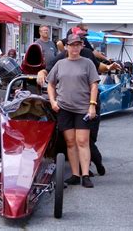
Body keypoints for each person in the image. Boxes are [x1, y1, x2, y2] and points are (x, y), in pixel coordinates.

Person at [37, 28, 118, 177]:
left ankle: (94, 165)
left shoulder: (87, 55)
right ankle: (78, 172)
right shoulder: (62, 58)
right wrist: (42, 72)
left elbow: (97, 68)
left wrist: (108, 67)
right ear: (67, 44)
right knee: (71, 140)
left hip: (87, 105)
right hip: (66, 106)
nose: (78, 44)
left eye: (80, 40)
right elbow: (49, 73)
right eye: (74, 42)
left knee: (86, 140)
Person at [47, 33, 100, 188]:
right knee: (70, 142)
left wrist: (92, 105)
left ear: (81, 46)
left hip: (82, 108)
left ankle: (85, 174)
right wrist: (52, 101)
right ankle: (75, 174)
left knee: (82, 141)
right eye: (72, 45)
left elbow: (94, 85)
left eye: (78, 45)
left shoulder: (88, 63)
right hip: (64, 107)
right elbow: (50, 84)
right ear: (67, 47)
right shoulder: (60, 64)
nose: (75, 48)